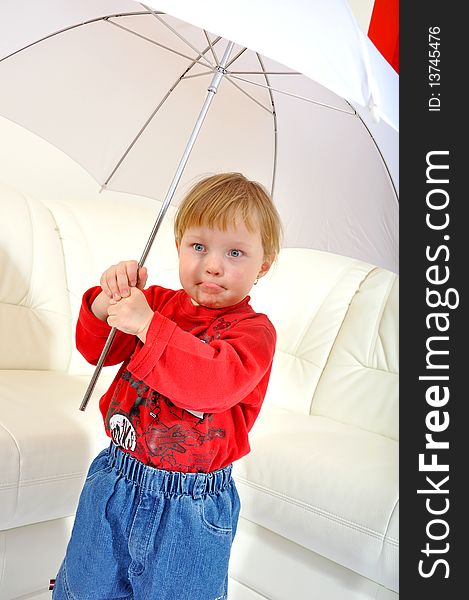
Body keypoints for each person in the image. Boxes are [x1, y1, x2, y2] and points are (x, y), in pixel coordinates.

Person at [52, 172, 282, 600]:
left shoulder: (254, 333)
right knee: (83, 589)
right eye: (199, 246)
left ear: (262, 266)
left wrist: (148, 326)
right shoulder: (154, 301)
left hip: (191, 507)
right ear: (178, 247)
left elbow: (211, 384)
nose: (213, 264)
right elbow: (95, 349)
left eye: (235, 252)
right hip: (116, 478)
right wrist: (108, 300)